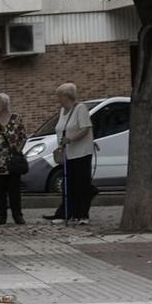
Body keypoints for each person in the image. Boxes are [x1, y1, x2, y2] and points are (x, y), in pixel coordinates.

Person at [51, 85, 95, 224]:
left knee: (81, 183)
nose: (58, 99)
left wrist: (70, 139)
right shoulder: (62, 111)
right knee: (69, 184)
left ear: (67, 96)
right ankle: (67, 213)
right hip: (68, 153)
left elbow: (85, 129)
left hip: (81, 152)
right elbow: (60, 129)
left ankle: (82, 214)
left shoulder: (80, 109)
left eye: (59, 96)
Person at [0, 93, 27, 225]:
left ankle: (17, 215)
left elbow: (23, 137)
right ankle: (1, 215)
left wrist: (17, 151)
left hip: (12, 161)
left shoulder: (16, 119)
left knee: (14, 191)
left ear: (5, 104)